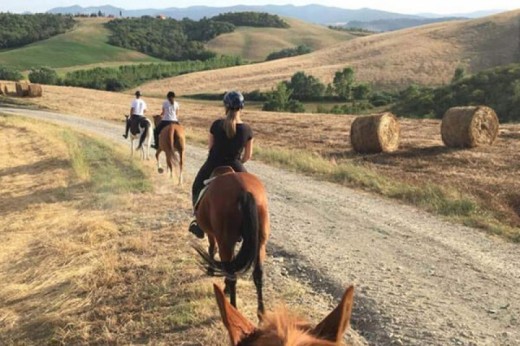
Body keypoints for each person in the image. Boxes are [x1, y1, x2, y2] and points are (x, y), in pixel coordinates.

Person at [189, 91, 253, 238]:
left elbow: (210, 148)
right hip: (236, 165)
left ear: (225, 106)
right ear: (241, 107)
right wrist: (238, 162)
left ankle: (199, 223)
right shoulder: (247, 130)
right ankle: (246, 226)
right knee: (250, 194)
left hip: (213, 163)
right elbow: (248, 156)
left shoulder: (216, 125)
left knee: (197, 186)